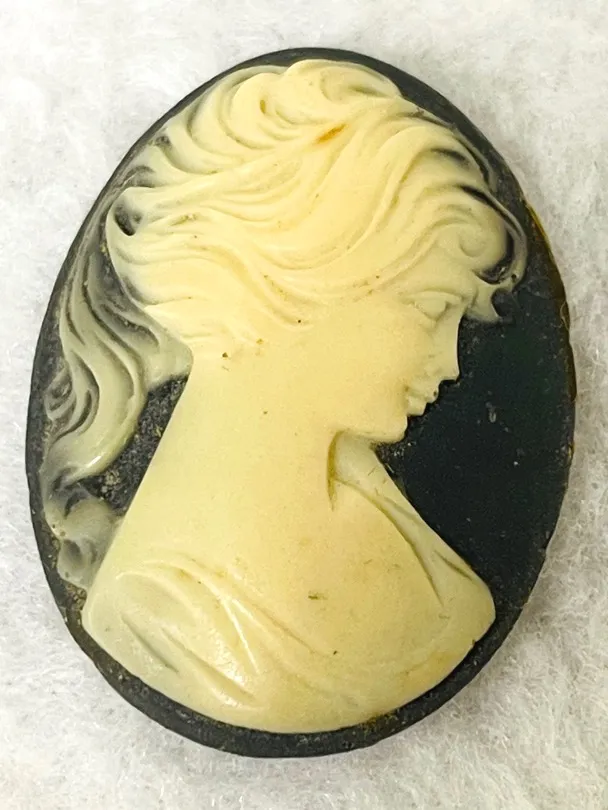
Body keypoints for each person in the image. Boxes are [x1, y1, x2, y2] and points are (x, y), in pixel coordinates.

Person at [41, 59, 526, 732]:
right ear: (288, 291)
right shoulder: (164, 617)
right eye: (428, 308)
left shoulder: (390, 525)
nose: (448, 364)